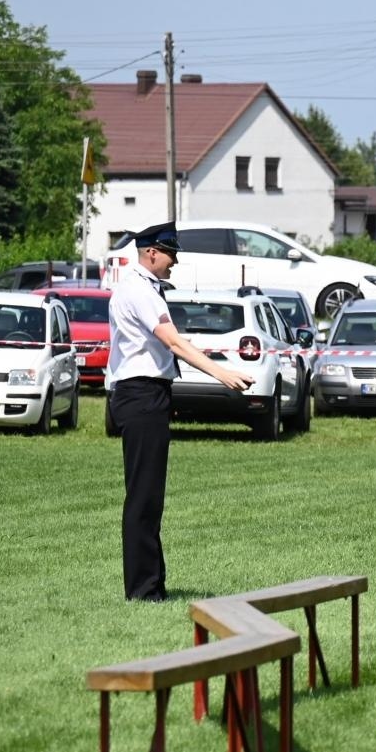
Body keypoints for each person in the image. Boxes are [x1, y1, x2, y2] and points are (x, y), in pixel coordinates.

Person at [106, 221, 252, 602]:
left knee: (149, 495)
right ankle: (143, 589)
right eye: (171, 254)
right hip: (141, 394)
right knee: (143, 496)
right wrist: (222, 374)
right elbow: (173, 343)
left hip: (144, 394)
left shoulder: (143, 287)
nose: (174, 262)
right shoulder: (140, 290)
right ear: (151, 252)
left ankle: (151, 584)